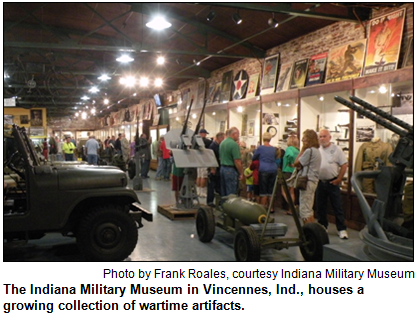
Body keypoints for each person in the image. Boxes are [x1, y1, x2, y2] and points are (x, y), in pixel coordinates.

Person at [316, 129, 349, 239]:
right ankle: (323, 226)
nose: (322, 138)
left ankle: (341, 229)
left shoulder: (336, 149)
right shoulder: (317, 149)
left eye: (324, 136)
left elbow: (344, 165)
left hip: (333, 182)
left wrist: (339, 179)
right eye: (320, 136)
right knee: (321, 206)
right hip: (320, 182)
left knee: (337, 206)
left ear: (329, 137)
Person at [294, 129, 321, 224]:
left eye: (304, 138)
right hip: (313, 181)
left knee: (305, 210)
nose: (302, 140)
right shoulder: (317, 151)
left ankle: (309, 233)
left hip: (307, 182)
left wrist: (302, 149)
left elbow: (296, 162)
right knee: (309, 209)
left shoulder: (309, 151)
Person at [252, 132, 277, 211]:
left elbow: (254, 157)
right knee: (271, 190)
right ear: (270, 139)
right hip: (273, 169)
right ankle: (271, 208)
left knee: (263, 191)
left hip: (264, 169)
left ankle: (263, 208)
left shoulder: (260, 148)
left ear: (263, 139)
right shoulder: (273, 149)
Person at [219, 127, 243, 197]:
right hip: (230, 170)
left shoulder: (222, 143)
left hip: (222, 168)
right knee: (231, 192)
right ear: (234, 134)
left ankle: (223, 206)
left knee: (223, 191)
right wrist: (241, 173)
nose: (238, 136)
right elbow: (237, 161)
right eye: (238, 134)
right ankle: (230, 206)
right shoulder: (234, 144)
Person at [281, 135, 300, 215]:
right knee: (291, 191)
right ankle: (291, 210)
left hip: (287, 171)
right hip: (294, 172)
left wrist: (290, 163)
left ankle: (292, 206)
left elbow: (290, 155)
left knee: (284, 191)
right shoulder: (297, 150)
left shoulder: (289, 149)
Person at [206, 132, 225, 207]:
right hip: (214, 169)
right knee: (212, 186)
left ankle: (218, 201)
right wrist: (212, 168)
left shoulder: (218, 146)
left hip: (217, 168)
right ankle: (210, 201)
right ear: (219, 138)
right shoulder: (213, 146)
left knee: (217, 186)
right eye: (223, 138)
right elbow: (210, 158)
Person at [196, 128, 212, 197]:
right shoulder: (206, 141)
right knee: (204, 177)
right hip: (204, 160)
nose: (205, 135)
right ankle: (203, 192)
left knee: (199, 176)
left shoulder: (196, 141)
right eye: (205, 134)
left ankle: (198, 191)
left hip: (198, 160)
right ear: (202, 134)